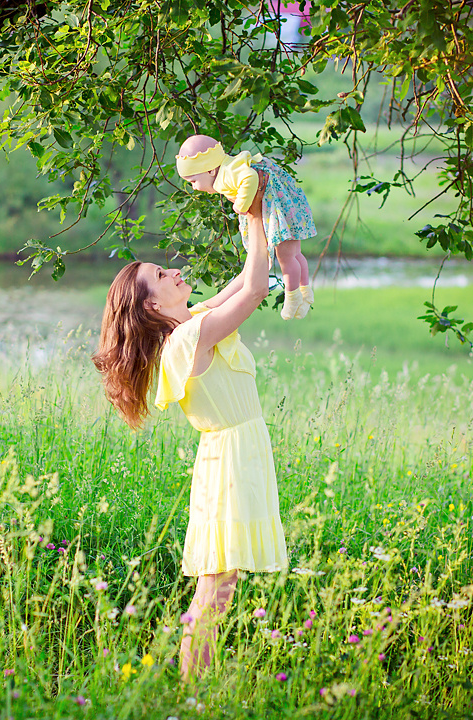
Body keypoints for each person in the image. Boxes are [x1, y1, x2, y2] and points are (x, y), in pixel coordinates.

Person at [92, 187, 289, 680]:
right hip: (229, 461)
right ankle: (191, 690)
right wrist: (261, 223)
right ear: (151, 306)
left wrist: (253, 221)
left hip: (236, 455)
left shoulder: (194, 323)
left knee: (221, 583)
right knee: (216, 588)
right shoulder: (186, 339)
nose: (173, 271)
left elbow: (244, 279)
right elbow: (256, 291)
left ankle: (194, 685)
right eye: (160, 276)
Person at [176, 134, 316, 320]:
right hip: (282, 203)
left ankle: (293, 295)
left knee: (287, 256)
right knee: (295, 253)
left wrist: (240, 206)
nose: (194, 187)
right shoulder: (228, 167)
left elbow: (249, 178)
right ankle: (305, 291)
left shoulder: (226, 176)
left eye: (193, 181)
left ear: (209, 171)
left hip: (276, 208)